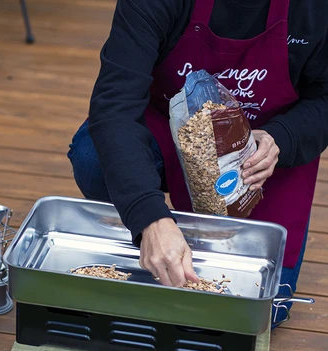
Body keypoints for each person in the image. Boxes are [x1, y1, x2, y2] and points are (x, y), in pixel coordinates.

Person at [68, 0, 328, 327]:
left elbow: (324, 97)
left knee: (263, 310)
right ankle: (150, 237)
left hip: (264, 156)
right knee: (93, 157)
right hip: (170, 124)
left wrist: (283, 138)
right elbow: (115, 103)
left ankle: (179, 238)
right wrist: (148, 216)